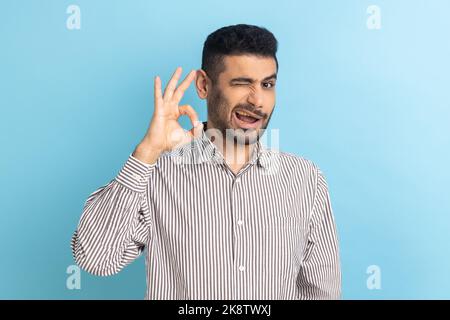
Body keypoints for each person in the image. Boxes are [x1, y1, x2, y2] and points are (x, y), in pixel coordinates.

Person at [71, 24, 341, 300]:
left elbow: (322, 291)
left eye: (267, 85)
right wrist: (147, 152)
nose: (258, 100)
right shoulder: (155, 173)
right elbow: (96, 259)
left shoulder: (306, 179)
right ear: (204, 85)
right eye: (242, 83)